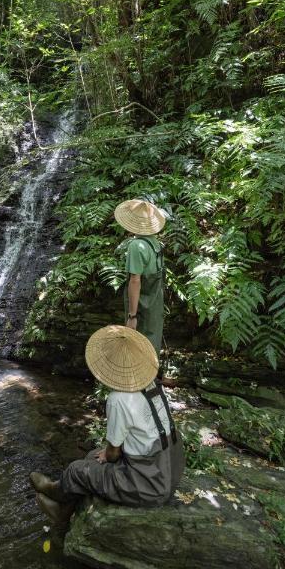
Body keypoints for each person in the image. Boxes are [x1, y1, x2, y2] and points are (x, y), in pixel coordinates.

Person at [30, 325, 184, 525]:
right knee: (90, 457)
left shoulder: (119, 398)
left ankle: (55, 491)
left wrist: (107, 454)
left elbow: (113, 454)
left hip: (150, 484)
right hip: (170, 467)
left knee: (77, 470)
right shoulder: (152, 384)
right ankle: (64, 513)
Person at [115, 199, 166, 355]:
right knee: (150, 347)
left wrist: (132, 316)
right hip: (155, 308)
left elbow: (135, 281)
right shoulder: (156, 244)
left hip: (141, 309)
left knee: (137, 349)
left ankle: (141, 380)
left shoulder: (136, 246)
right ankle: (150, 378)